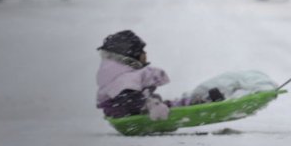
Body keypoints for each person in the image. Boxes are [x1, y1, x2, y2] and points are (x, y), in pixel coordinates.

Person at [95, 30, 224, 120]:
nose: (145, 54)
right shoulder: (125, 80)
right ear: (130, 55)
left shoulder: (123, 76)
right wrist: (150, 105)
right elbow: (128, 101)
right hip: (136, 112)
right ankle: (199, 104)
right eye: (141, 51)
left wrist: (150, 103)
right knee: (168, 107)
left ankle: (196, 101)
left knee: (165, 103)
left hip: (135, 110)